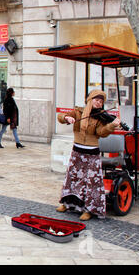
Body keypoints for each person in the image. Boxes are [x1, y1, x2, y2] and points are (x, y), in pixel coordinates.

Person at [56, 89, 121, 221]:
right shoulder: (78, 112)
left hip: (91, 153)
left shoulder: (100, 117)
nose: (98, 103)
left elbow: (101, 132)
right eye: (96, 100)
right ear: (90, 100)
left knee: (91, 182)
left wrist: (111, 126)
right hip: (77, 151)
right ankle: (68, 203)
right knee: (72, 178)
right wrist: (66, 118)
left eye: (101, 102)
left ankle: (89, 209)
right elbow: (61, 117)